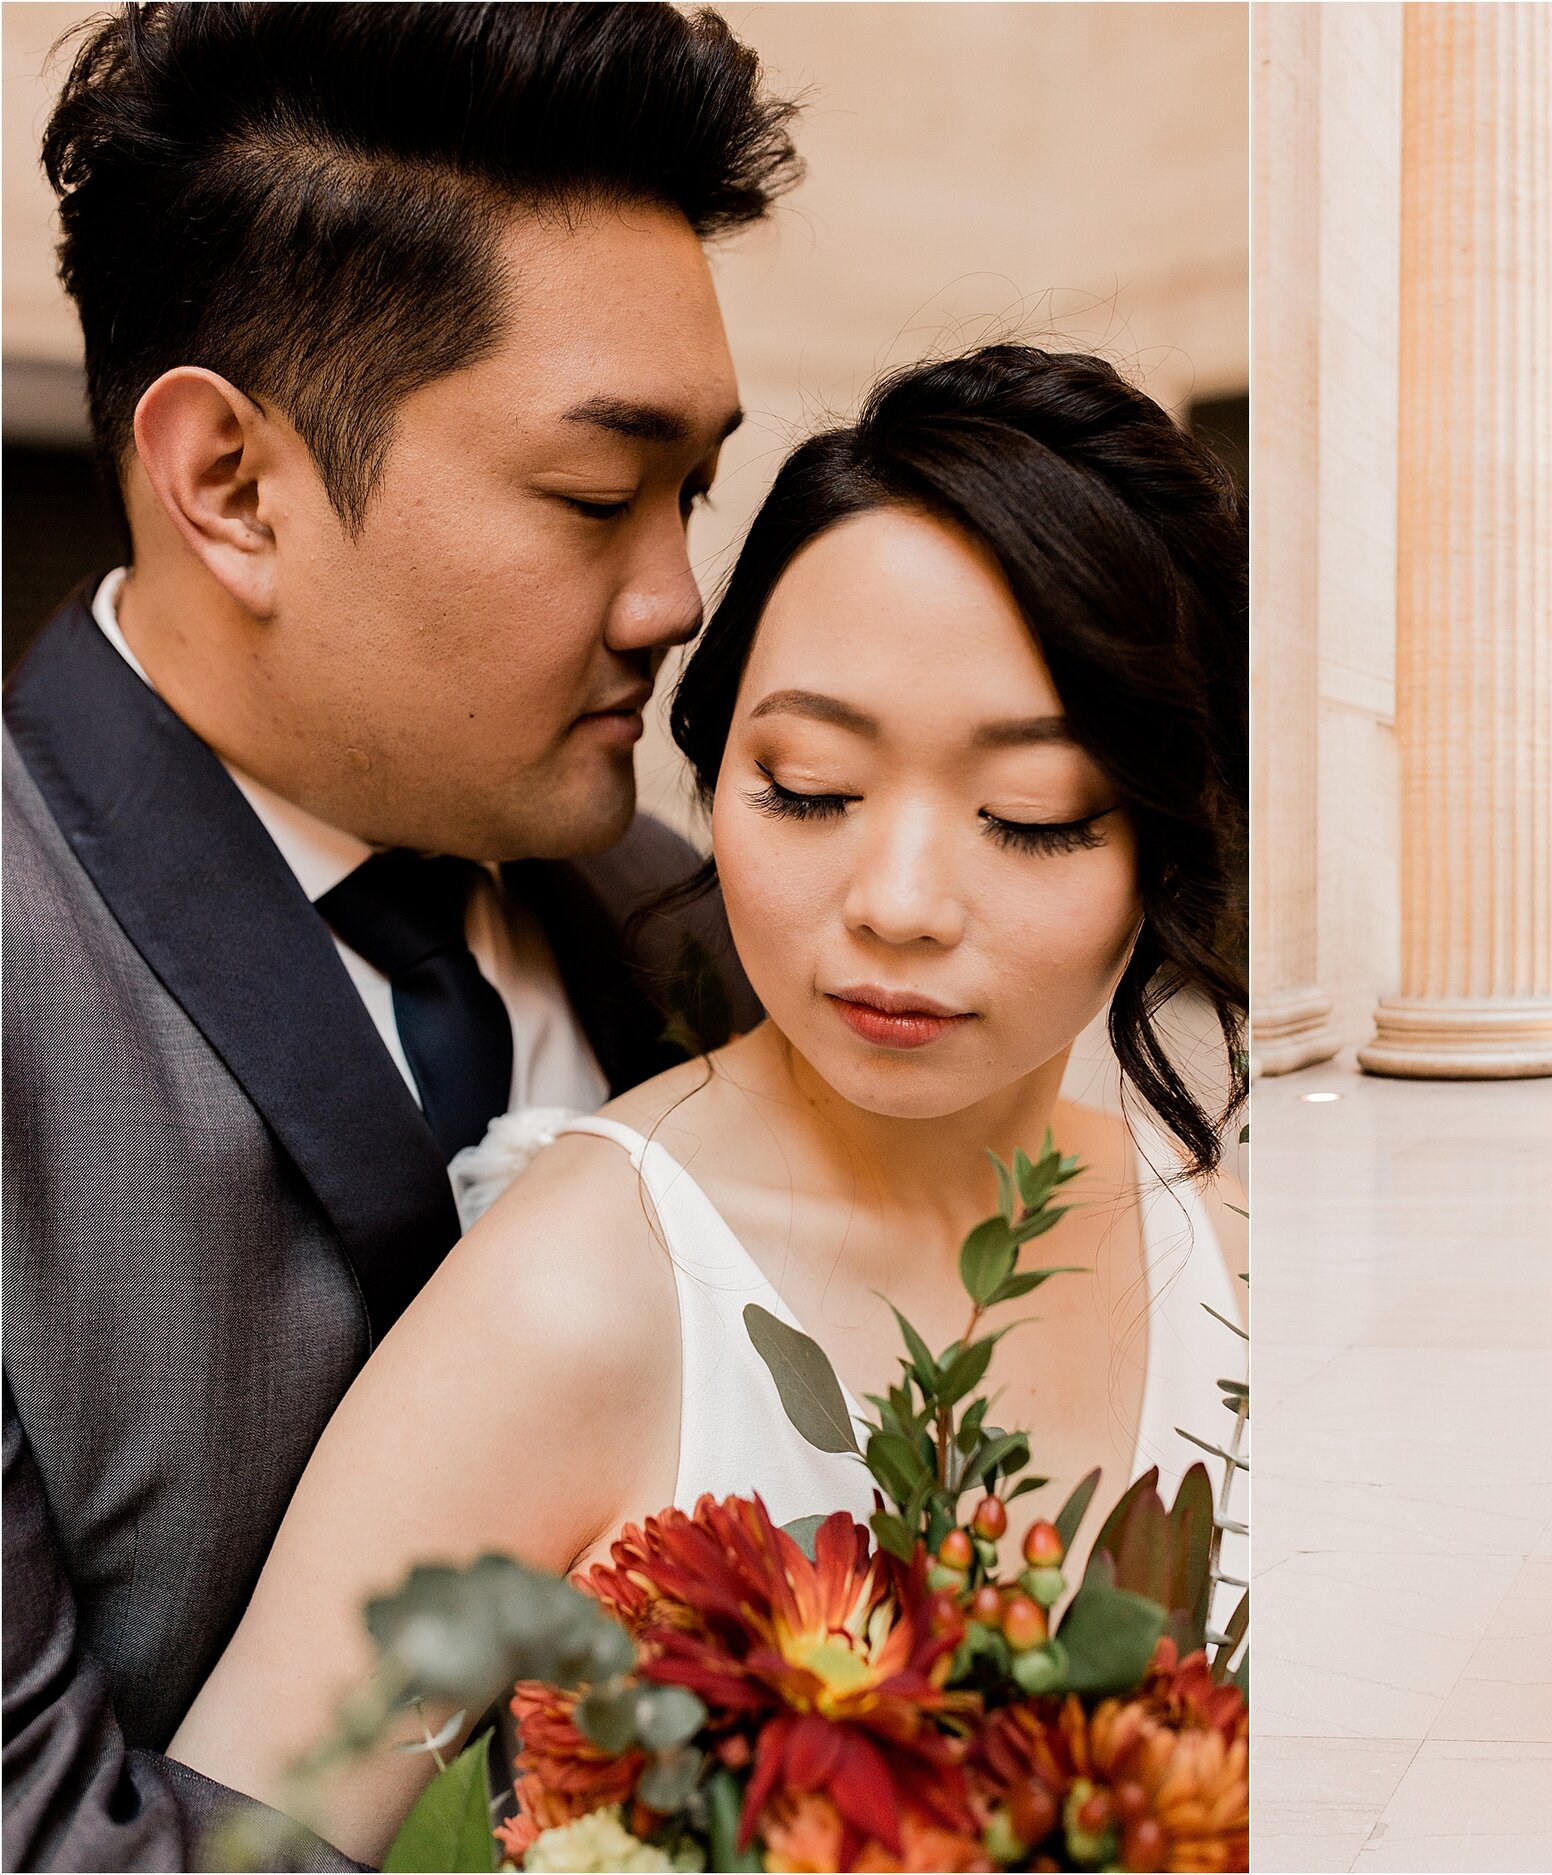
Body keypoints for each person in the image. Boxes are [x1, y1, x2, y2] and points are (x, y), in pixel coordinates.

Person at [165, 345, 1251, 1869]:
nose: (899, 904)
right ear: (715, 761)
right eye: (806, 785)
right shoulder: (573, 1292)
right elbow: (222, 1848)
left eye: (1032, 817)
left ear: (1167, 841)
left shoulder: (1232, 1239)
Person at [1, 8, 799, 1866]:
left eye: (693, 495)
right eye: (599, 497)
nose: (677, 596)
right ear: (233, 486)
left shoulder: (694, 926)